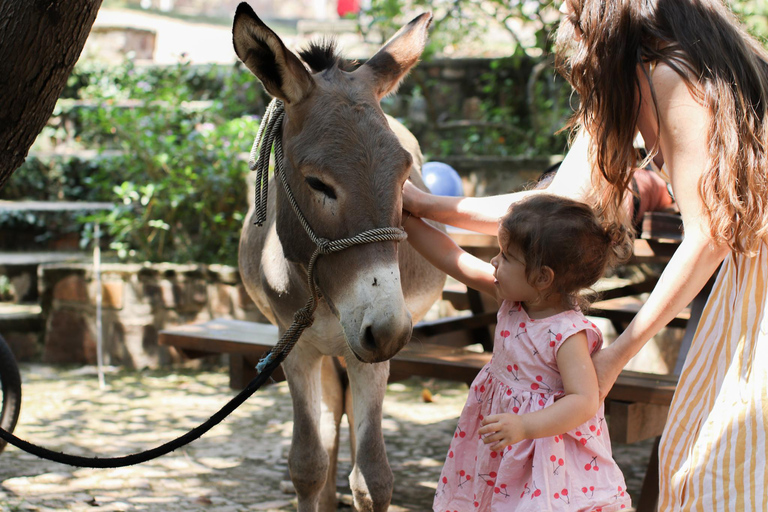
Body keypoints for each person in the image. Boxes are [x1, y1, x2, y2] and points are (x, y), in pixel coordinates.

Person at [403, 1, 768, 509]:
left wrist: (617, 355)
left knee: (719, 468)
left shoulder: (672, 75)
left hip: (755, 289)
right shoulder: (637, 80)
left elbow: (707, 237)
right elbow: (552, 208)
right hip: (747, 288)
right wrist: (421, 205)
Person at [403, 194, 631, 511]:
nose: (495, 262)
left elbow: (584, 401)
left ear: (542, 277)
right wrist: (405, 222)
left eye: (506, 256)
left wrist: (525, 427)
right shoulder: (513, 297)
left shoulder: (567, 334)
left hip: (543, 449)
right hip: (503, 438)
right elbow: (451, 257)